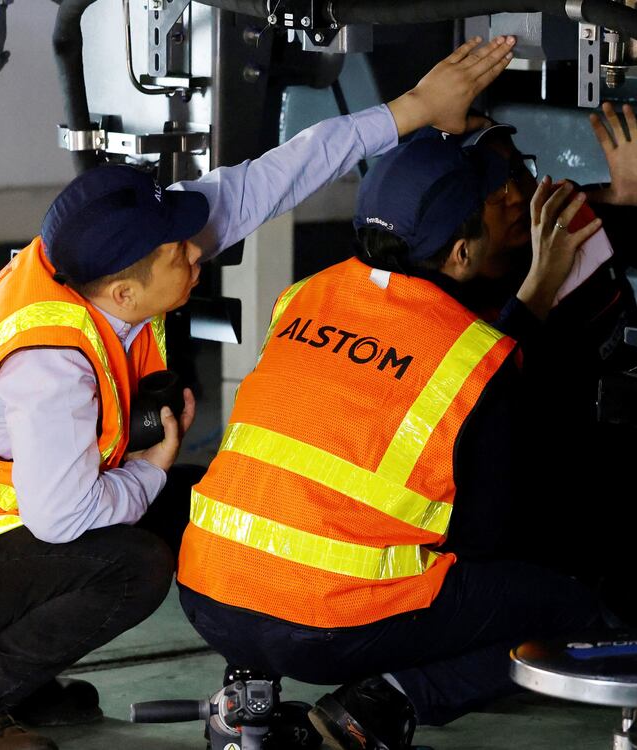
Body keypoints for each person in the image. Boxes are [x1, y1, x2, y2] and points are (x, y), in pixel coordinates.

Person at [0, 35, 517, 750]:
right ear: (123, 291)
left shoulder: (101, 261)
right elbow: (60, 518)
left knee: (192, 511)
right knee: (133, 566)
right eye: (180, 253)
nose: (198, 249)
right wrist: (150, 469)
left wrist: (413, 109)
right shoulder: (52, 369)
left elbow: (279, 174)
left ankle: (18, 675)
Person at [177, 132, 607, 750]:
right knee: (572, 615)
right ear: (460, 254)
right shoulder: (476, 360)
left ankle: (249, 701)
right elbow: (481, 543)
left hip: (210, 594)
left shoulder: (303, 296)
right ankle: (379, 705)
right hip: (326, 628)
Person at [455, 104, 637, 625]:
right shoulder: (445, 302)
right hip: (545, 548)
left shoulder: (572, 220)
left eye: (518, 171)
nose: (516, 194)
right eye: (492, 187)